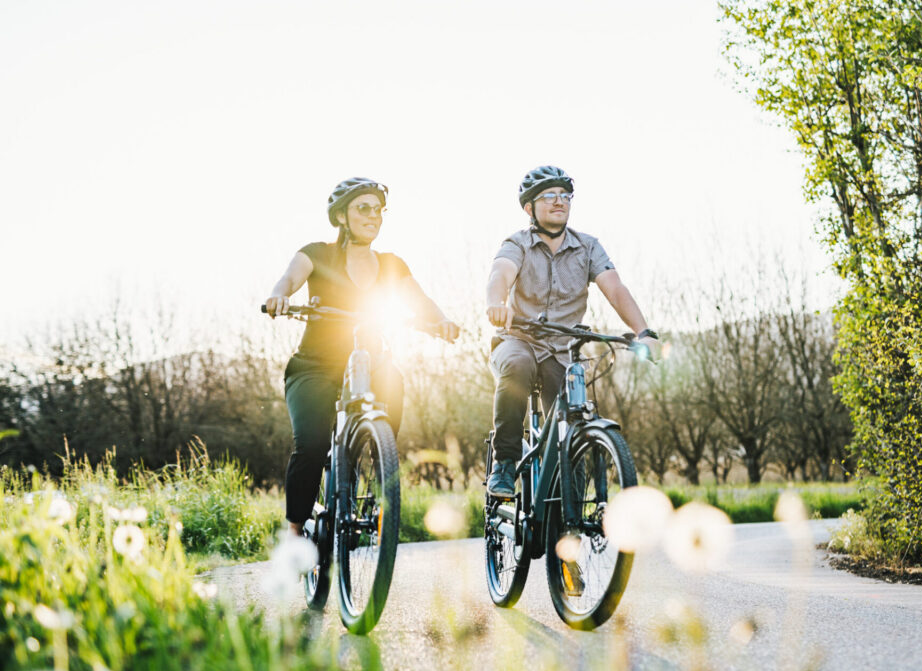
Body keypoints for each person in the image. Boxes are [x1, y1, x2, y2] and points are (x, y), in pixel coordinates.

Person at [266, 177, 459, 537]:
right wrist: (279, 295)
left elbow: (419, 302)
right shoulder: (317, 253)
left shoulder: (390, 264)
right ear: (341, 216)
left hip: (371, 366)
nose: (374, 216)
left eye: (379, 209)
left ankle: (377, 461)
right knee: (311, 445)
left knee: (393, 383)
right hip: (314, 368)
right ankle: (294, 531)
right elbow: (289, 280)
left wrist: (441, 320)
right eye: (364, 208)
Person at [484, 166, 660, 497]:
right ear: (529, 208)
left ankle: (571, 506)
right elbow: (500, 274)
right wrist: (496, 302)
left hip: (562, 349)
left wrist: (643, 331)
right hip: (518, 340)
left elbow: (616, 289)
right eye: (548, 196)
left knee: (571, 413)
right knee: (517, 366)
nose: (558, 202)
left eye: (564, 196)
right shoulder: (517, 243)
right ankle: (505, 463)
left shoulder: (588, 247)